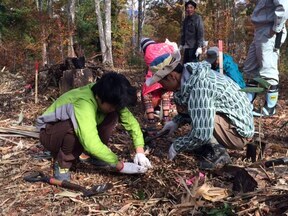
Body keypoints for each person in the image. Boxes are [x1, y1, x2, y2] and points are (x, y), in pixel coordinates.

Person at [146, 51, 254, 169]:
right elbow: (190, 110)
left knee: (203, 121)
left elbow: (201, 133)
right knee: (199, 115)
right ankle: (209, 145)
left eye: (162, 82)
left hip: (239, 133)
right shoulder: (192, 77)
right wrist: (176, 121)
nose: (163, 86)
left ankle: (218, 154)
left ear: (172, 76)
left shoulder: (200, 86)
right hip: (231, 122)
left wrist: (176, 146)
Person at [36, 72, 152, 181]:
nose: (115, 108)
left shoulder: (108, 95)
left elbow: (132, 124)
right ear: (99, 98)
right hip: (49, 132)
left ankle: (95, 156)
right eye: (112, 105)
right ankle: (62, 164)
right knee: (73, 126)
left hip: (65, 130)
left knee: (112, 115)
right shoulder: (84, 102)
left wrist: (140, 151)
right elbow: (90, 142)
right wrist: (119, 165)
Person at [243, 0, 288, 117]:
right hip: (260, 29)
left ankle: (270, 108)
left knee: (268, 69)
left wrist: (276, 27)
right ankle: (247, 104)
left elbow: (283, 6)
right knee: (250, 69)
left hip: (269, 29)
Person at [140, 37, 176, 124]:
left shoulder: (148, 53)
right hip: (166, 77)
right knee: (165, 94)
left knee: (147, 95)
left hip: (153, 78)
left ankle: (151, 119)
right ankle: (166, 118)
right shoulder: (162, 48)